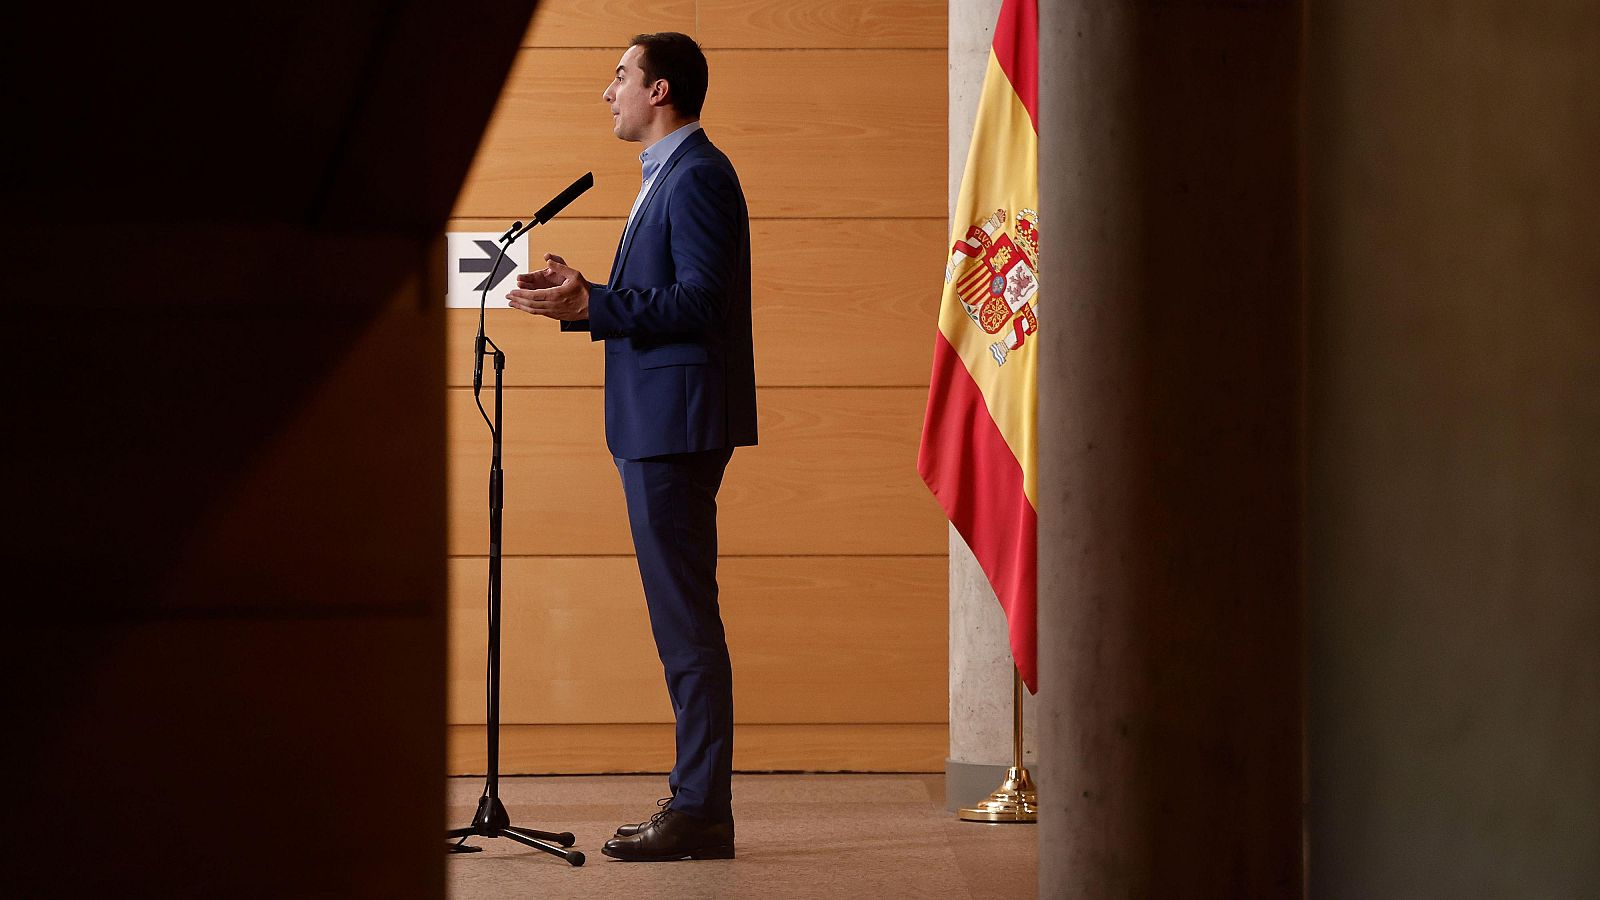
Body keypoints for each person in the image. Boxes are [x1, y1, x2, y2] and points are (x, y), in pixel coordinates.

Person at [505, 31, 757, 862]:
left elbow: (701, 302)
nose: (606, 90)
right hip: (659, 423)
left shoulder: (697, 174)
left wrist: (597, 304)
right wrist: (588, 296)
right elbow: (667, 293)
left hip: (675, 426)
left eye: (621, 75)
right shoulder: (668, 177)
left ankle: (700, 809)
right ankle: (698, 800)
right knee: (680, 619)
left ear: (661, 91)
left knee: (686, 624)